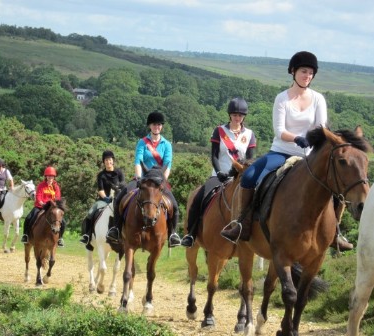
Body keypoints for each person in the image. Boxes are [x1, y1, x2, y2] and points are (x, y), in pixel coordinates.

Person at [220, 51, 353, 251]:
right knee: (249, 177)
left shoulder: (318, 99)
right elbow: (279, 130)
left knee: (336, 183)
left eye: (310, 73)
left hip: (310, 155)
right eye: (303, 71)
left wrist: (310, 141)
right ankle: (242, 224)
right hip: (281, 152)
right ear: (293, 72)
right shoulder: (282, 98)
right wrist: (297, 138)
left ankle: (335, 232)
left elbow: (322, 128)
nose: (307, 76)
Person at [181, 97, 256, 247]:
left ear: (244, 117)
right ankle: (191, 234)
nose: (237, 118)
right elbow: (214, 155)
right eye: (235, 115)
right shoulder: (220, 131)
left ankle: (253, 233)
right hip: (219, 175)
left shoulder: (249, 134)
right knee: (200, 197)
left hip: (240, 176)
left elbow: (250, 159)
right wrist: (219, 171)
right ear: (230, 115)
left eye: (240, 116)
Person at [106, 111, 182, 247]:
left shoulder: (167, 144)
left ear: (161, 127)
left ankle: (173, 234)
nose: (156, 127)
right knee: (119, 198)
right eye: (154, 124)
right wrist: (139, 178)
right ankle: (116, 229)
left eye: (159, 124)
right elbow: (138, 161)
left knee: (174, 206)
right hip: (143, 178)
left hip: (159, 180)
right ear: (150, 126)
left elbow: (167, 164)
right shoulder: (142, 142)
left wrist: (162, 181)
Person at [80, 150, 125, 249]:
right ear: (104, 162)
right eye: (106, 160)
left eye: (110, 160)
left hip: (117, 200)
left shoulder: (119, 172)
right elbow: (100, 190)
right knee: (91, 212)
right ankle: (87, 235)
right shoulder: (101, 175)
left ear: (113, 160)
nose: (108, 162)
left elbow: (123, 185)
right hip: (104, 200)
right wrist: (106, 198)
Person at [21, 166, 67, 247]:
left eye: (52, 176)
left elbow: (58, 197)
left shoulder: (56, 186)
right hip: (40, 206)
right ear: (46, 176)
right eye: (49, 176)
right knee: (28, 218)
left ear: (54, 177)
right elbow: (38, 196)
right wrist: (41, 203)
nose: (50, 178)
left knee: (63, 221)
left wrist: (53, 204)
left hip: (52, 207)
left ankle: (60, 238)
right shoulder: (41, 185)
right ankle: (25, 235)